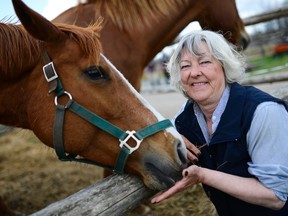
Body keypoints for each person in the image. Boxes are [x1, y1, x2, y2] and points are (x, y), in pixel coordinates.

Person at [151, 30, 288, 216]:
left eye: (205, 62)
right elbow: (154, 136)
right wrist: (171, 137)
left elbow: (277, 196)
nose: (194, 73)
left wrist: (204, 175)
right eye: (185, 66)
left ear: (224, 65)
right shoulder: (187, 114)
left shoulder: (263, 112)